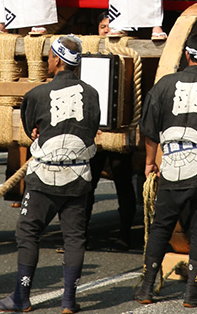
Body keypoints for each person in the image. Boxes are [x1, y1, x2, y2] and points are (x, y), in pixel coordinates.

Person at [0, 36, 100, 314]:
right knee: (74, 237)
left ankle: (22, 296)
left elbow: (31, 129)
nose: (47, 61)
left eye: (49, 56)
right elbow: (94, 126)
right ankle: (68, 300)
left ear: (58, 60)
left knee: (28, 232)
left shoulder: (36, 94)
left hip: (45, 177)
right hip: (78, 175)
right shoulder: (92, 93)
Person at [134, 31, 197, 307]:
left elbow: (150, 132)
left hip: (172, 166)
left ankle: (146, 288)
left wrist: (150, 162)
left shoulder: (165, 86)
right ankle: (192, 292)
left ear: (187, 55)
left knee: (160, 227)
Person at [85, 13, 138, 248]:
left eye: (111, 26)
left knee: (123, 182)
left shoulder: (129, 56)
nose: (106, 30)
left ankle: (125, 235)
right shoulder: (88, 53)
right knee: (87, 184)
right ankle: (80, 235)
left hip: (119, 130)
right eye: (103, 26)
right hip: (94, 133)